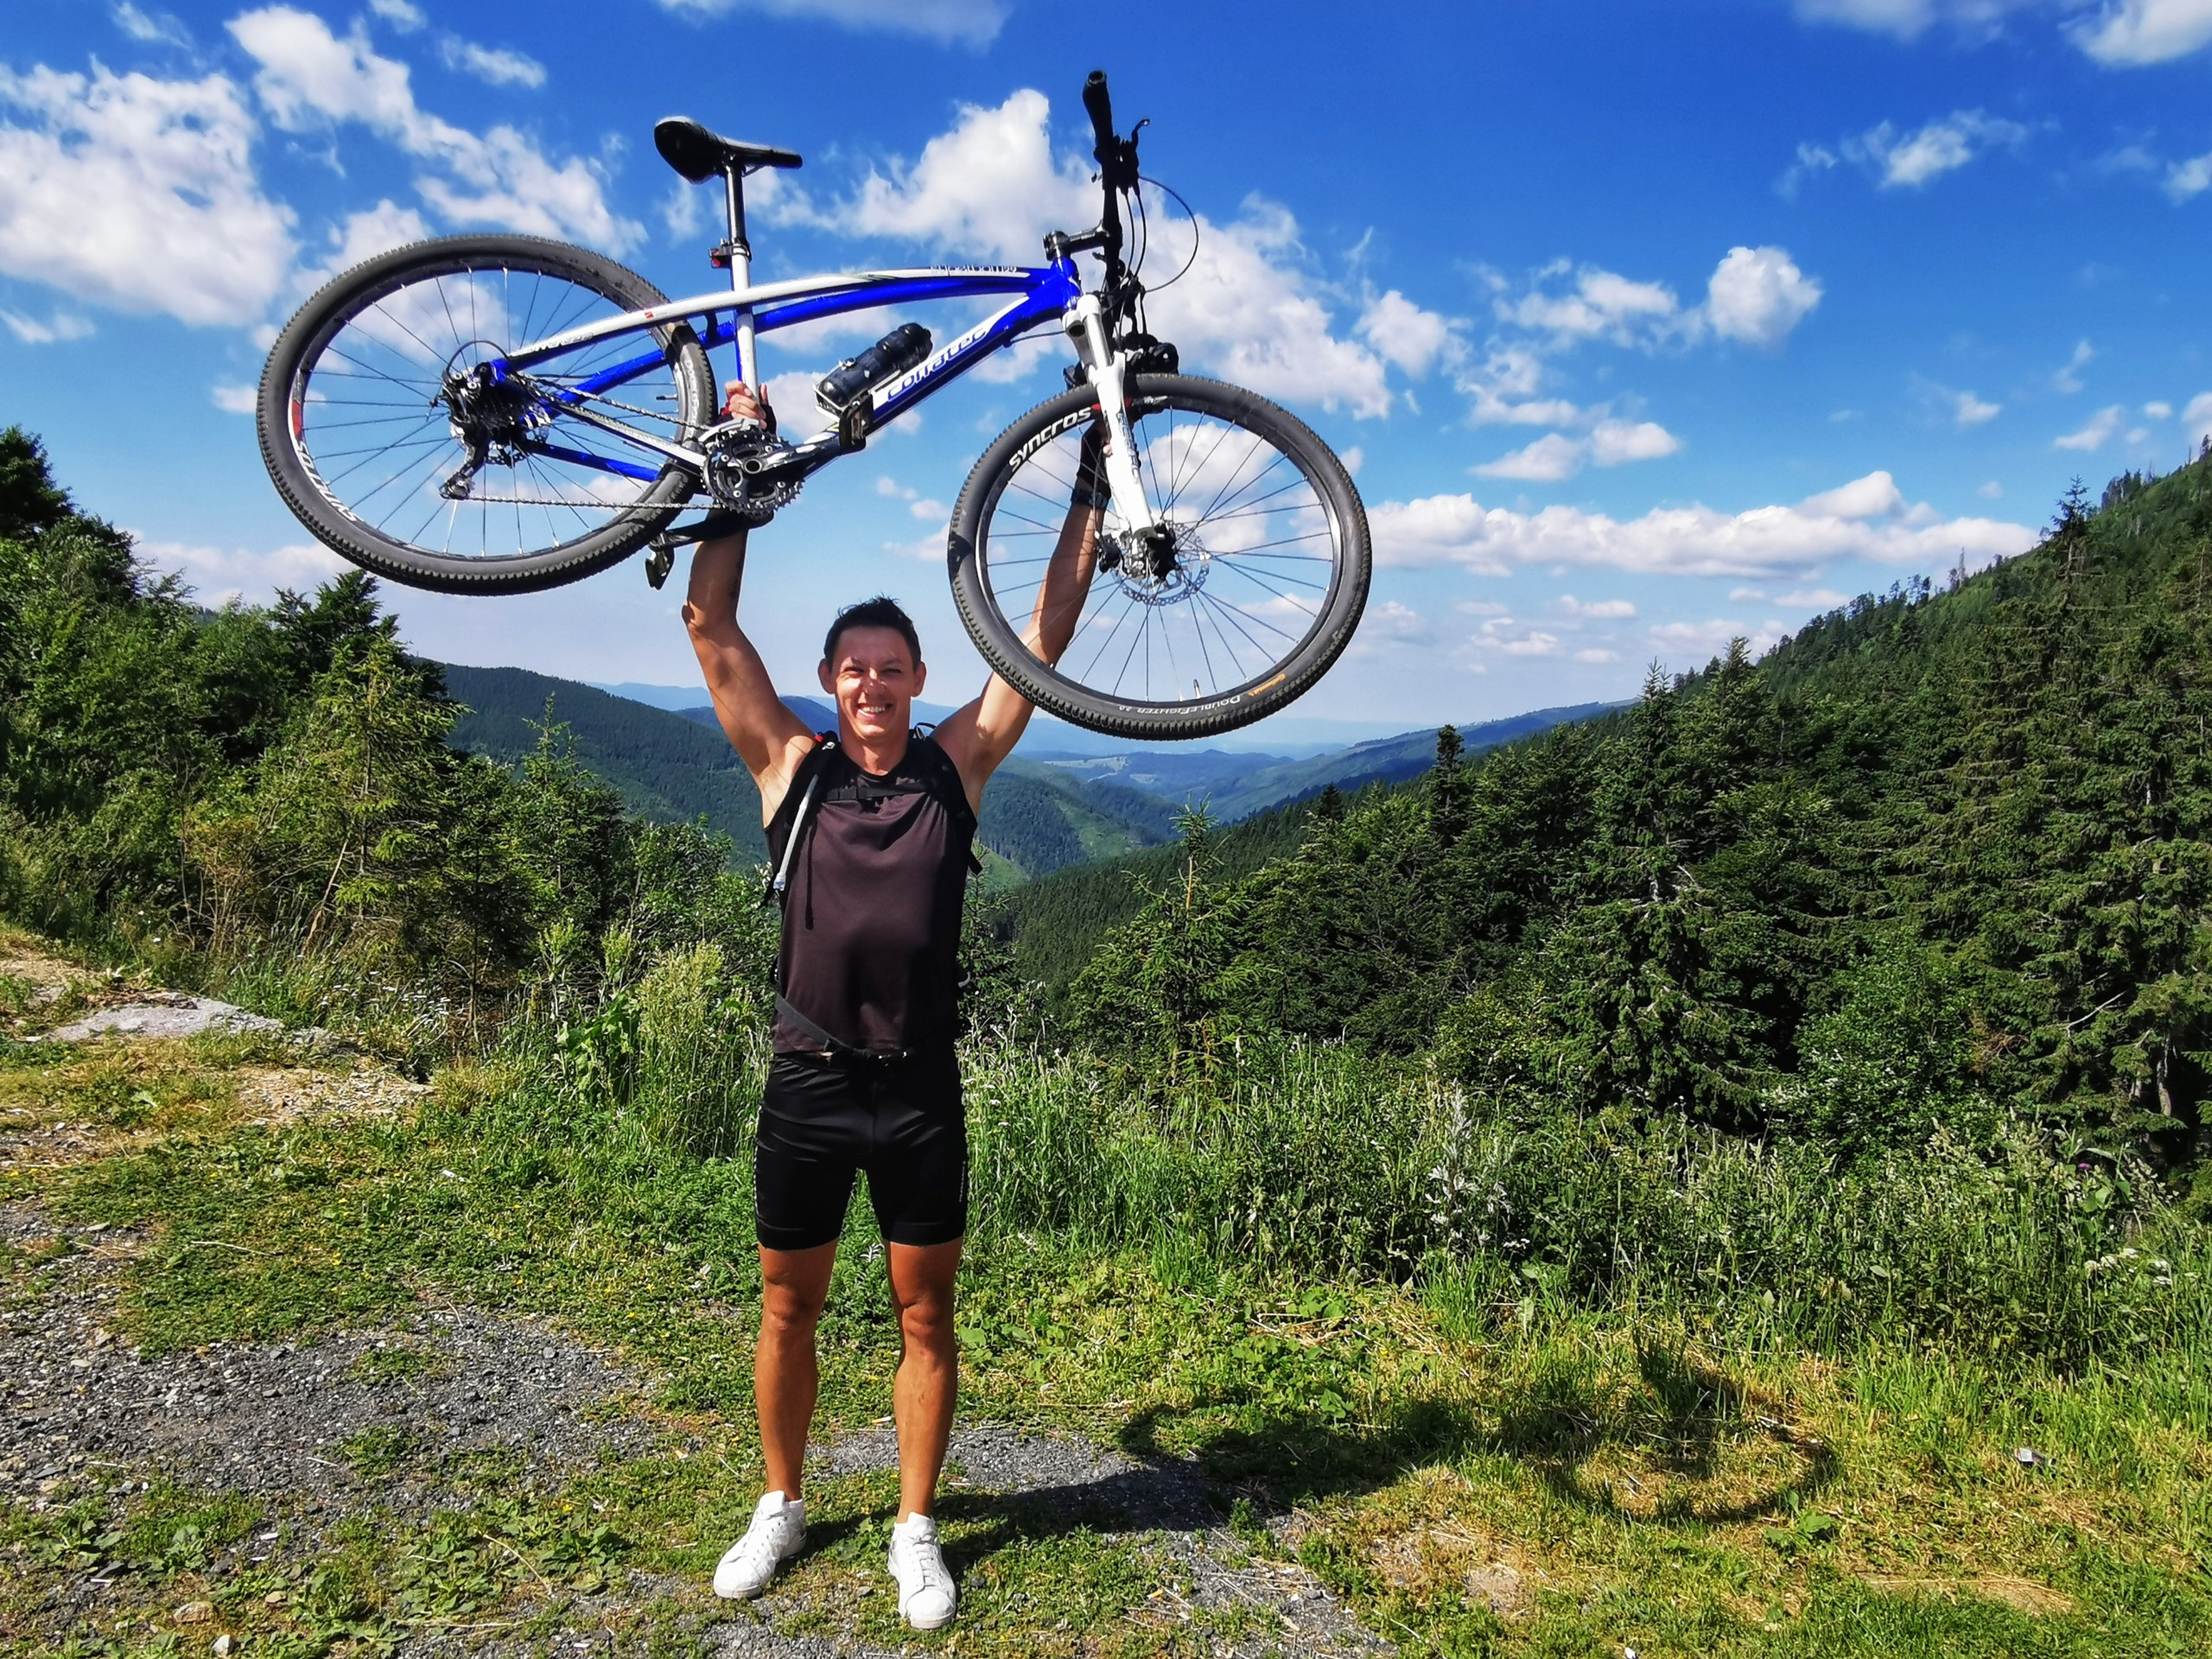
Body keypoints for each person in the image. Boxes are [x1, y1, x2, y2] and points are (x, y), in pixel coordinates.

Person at [683, 380, 1106, 1630]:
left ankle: (915, 1528)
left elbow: (1045, 632)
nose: (872, 685)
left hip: (920, 1086)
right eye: (854, 670)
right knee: (788, 1306)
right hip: (809, 1081)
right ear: (829, 680)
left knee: (927, 1314)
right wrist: (740, 473)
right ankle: (781, 1504)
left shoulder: (955, 765)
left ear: (921, 677)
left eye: (892, 668)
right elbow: (710, 623)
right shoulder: (788, 768)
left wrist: (1095, 468)